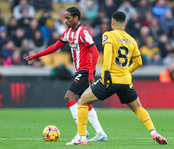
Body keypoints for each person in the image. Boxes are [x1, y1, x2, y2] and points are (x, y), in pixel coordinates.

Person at [66, 11, 168, 145]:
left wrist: (107, 71)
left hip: (109, 79)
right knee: (138, 107)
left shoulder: (108, 35)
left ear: (112, 23)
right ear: (125, 23)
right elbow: (139, 62)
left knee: (82, 101)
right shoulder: (131, 40)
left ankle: (81, 137)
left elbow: (108, 52)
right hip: (125, 81)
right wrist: (126, 71)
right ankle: (153, 131)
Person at [24, 7, 107, 142]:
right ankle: (100, 133)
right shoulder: (68, 33)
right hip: (80, 71)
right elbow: (54, 47)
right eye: (65, 18)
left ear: (76, 18)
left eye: (68, 18)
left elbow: (95, 52)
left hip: (85, 71)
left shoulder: (83, 32)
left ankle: (82, 133)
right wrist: (35, 55)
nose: (66, 21)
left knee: (69, 97)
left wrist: (91, 73)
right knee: (85, 102)